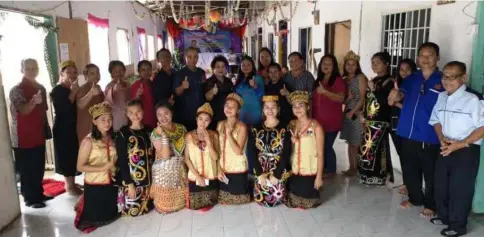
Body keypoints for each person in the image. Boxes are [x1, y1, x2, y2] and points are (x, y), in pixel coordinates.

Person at [427, 61, 484, 237]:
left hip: (465, 150)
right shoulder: (442, 96)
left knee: (460, 189)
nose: (447, 80)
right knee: (441, 185)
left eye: (453, 77)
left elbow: (482, 127)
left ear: (463, 77)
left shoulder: (473, 99)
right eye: (445, 76)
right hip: (445, 146)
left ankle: (458, 225)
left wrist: (460, 144)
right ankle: (445, 217)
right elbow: (435, 119)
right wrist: (441, 138)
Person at [388, 42, 444, 218]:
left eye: (430, 55)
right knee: (410, 169)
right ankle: (415, 198)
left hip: (430, 135)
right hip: (407, 133)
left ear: (438, 57)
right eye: (422, 55)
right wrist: (397, 95)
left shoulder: (444, 80)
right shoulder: (412, 78)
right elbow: (402, 93)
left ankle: (430, 204)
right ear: (418, 58)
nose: (425, 59)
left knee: (431, 173)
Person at [9, 58, 51, 208]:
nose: (32, 71)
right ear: (22, 70)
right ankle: (30, 199)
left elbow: (44, 109)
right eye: (28, 68)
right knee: (27, 170)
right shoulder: (16, 90)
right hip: (22, 137)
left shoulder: (41, 87)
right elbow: (23, 110)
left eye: (35, 68)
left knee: (39, 167)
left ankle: (38, 194)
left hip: (38, 134)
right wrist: (33, 102)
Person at [74, 102, 119, 233]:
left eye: (110, 119)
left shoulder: (114, 137)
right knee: (95, 217)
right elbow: (80, 166)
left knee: (111, 213)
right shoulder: (88, 141)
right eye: (103, 120)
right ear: (94, 121)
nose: (107, 123)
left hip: (111, 182)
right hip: (95, 184)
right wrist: (104, 167)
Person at [357, 52, 394, 186]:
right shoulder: (375, 80)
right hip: (369, 121)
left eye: (378, 63)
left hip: (380, 121)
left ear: (386, 64)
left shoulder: (390, 81)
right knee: (366, 148)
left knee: (374, 149)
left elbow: (385, 101)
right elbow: (368, 100)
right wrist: (362, 113)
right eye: (373, 63)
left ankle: (377, 176)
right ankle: (366, 175)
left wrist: (374, 90)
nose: (374, 65)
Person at [248, 95, 291, 207]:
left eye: (273, 107)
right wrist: (259, 173)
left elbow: (286, 152)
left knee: (276, 198)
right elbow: (251, 151)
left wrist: (277, 174)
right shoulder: (255, 127)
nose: (270, 110)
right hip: (260, 166)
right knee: (260, 199)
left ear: (278, 109)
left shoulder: (285, 127)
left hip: (278, 166)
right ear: (263, 109)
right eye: (267, 107)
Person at [115, 100, 154, 216]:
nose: (135, 115)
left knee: (149, 209)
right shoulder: (123, 133)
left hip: (149, 180)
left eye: (138, 112)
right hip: (131, 181)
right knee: (132, 212)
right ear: (127, 114)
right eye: (131, 112)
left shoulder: (149, 131)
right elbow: (122, 160)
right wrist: (129, 184)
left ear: (143, 112)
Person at [285, 91, 324, 209]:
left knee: (309, 200)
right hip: (295, 169)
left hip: (309, 170)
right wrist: (292, 142)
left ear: (307, 107)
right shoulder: (291, 124)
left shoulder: (316, 127)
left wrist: (319, 177)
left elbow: (321, 154)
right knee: (292, 198)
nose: (297, 109)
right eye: (294, 106)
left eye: (300, 105)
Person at [50, 60, 82, 195]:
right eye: (69, 72)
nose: (72, 75)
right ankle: (69, 186)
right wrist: (74, 91)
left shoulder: (71, 88)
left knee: (73, 154)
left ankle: (72, 183)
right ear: (62, 73)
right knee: (66, 156)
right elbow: (64, 108)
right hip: (62, 128)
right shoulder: (57, 90)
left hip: (72, 126)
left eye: (75, 72)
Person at [150, 101, 188, 214]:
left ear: (171, 112)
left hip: (180, 170)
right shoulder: (155, 133)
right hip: (164, 172)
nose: (163, 117)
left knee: (182, 204)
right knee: (166, 207)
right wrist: (163, 135)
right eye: (159, 115)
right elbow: (165, 156)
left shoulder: (181, 128)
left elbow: (186, 150)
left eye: (166, 113)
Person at [312, 55, 346, 179]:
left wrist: (325, 92)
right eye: (323, 63)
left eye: (329, 64)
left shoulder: (337, 80)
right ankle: (323, 168)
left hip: (331, 120)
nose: (326, 66)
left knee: (326, 145)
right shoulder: (319, 79)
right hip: (318, 120)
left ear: (334, 66)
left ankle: (330, 170)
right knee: (320, 145)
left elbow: (341, 98)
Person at [216, 93, 250, 205]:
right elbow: (216, 148)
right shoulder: (220, 124)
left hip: (237, 169)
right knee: (223, 200)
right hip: (223, 168)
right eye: (227, 105)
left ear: (238, 111)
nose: (229, 108)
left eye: (233, 107)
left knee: (239, 201)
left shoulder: (242, 127)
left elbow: (238, 151)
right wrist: (218, 168)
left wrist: (229, 134)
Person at [184, 103, 219, 211]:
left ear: (210, 121)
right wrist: (198, 176)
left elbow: (215, 157)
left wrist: (209, 142)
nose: (203, 122)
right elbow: (186, 159)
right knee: (195, 205)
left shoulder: (214, 135)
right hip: (195, 177)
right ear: (196, 119)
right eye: (200, 119)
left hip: (211, 175)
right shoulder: (189, 136)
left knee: (212, 203)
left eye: (206, 120)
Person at [391, 59, 417, 195]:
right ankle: (407, 183)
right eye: (401, 70)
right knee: (402, 154)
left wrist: (397, 104)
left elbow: (412, 108)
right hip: (396, 123)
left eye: (408, 69)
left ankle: (411, 185)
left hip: (408, 124)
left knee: (408, 156)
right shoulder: (397, 84)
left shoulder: (415, 85)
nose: (404, 72)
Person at [340, 50, 368, 177]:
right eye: (348, 64)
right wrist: (348, 99)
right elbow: (344, 99)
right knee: (350, 142)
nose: (350, 67)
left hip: (356, 113)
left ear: (357, 65)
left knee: (356, 143)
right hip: (347, 113)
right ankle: (352, 167)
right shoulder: (345, 79)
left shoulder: (361, 78)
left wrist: (352, 111)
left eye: (353, 64)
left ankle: (357, 168)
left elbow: (363, 98)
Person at [173, 47, 206, 131]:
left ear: (198, 58)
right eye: (189, 57)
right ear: (185, 57)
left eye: (195, 56)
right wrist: (182, 87)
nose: (192, 59)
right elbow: (177, 92)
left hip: (200, 113)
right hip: (185, 114)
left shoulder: (201, 72)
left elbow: (204, 88)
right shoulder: (179, 74)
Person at [204, 55, 235, 130]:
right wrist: (212, 92)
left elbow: (232, 96)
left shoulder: (228, 81)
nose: (221, 69)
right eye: (218, 67)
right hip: (214, 116)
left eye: (223, 66)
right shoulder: (209, 81)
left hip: (228, 114)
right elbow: (207, 97)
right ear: (213, 68)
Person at [76, 64, 104, 142]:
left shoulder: (99, 89)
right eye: (92, 73)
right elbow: (80, 105)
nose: (96, 75)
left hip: (98, 127)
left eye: (98, 73)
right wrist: (91, 93)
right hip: (86, 128)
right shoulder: (82, 88)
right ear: (86, 75)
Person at [235, 55, 265, 127]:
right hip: (242, 112)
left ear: (252, 66)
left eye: (248, 65)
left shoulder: (257, 78)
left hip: (255, 111)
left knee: (254, 133)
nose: (246, 67)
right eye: (243, 65)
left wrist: (255, 86)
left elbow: (262, 95)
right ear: (240, 66)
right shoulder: (239, 79)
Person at [130, 60, 156, 129]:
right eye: (143, 70)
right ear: (139, 71)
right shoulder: (136, 85)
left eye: (148, 69)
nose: (146, 72)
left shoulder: (153, 83)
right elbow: (133, 103)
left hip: (155, 115)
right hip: (144, 117)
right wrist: (137, 96)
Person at [105, 60, 130, 131]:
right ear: (111, 73)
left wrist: (137, 95)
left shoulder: (127, 84)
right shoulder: (109, 86)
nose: (119, 73)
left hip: (129, 115)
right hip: (117, 118)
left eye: (121, 70)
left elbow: (130, 100)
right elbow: (108, 102)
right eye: (116, 71)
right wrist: (114, 90)